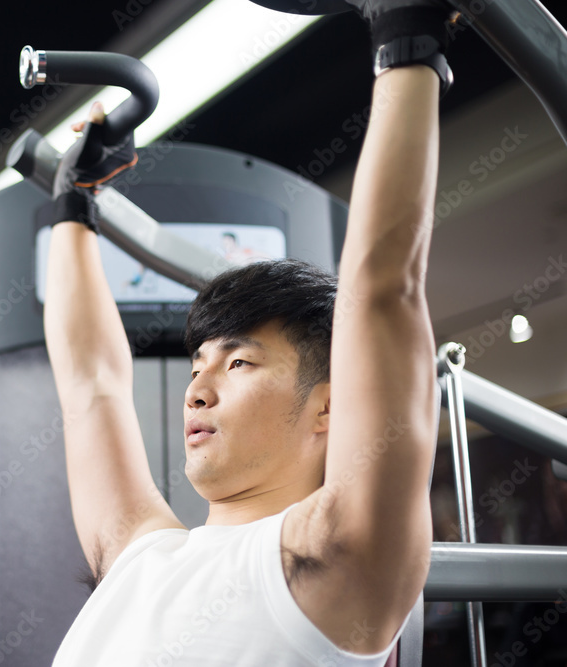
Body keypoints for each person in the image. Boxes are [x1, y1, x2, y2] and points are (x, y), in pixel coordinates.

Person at [42, 1, 456, 664]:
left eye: (239, 364)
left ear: (329, 406)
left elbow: (384, 288)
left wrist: (404, 39)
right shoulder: (140, 554)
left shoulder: (330, 562)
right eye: (199, 363)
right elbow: (91, 388)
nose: (197, 390)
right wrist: (72, 202)